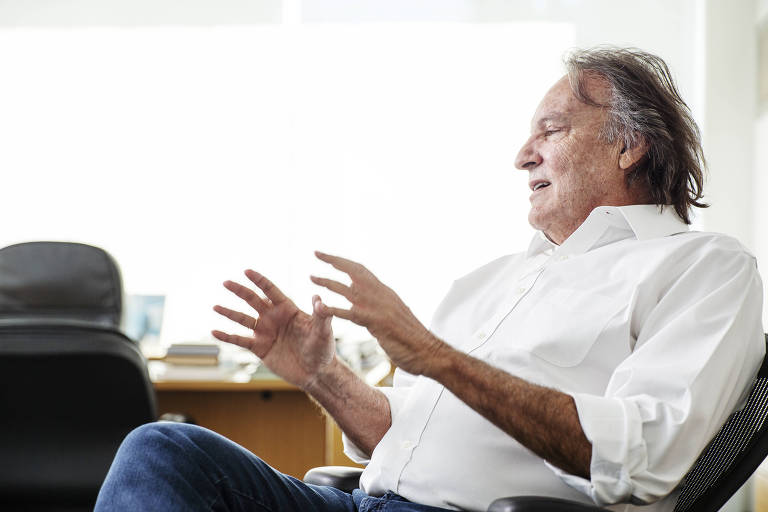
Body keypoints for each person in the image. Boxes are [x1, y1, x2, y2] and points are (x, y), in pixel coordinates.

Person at [95, 47, 764, 512]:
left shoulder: (702, 267)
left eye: (551, 130)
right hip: (366, 501)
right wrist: (322, 374)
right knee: (163, 451)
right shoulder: (492, 279)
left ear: (628, 145)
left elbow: (644, 460)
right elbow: (400, 434)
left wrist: (436, 357)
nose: (520, 155)